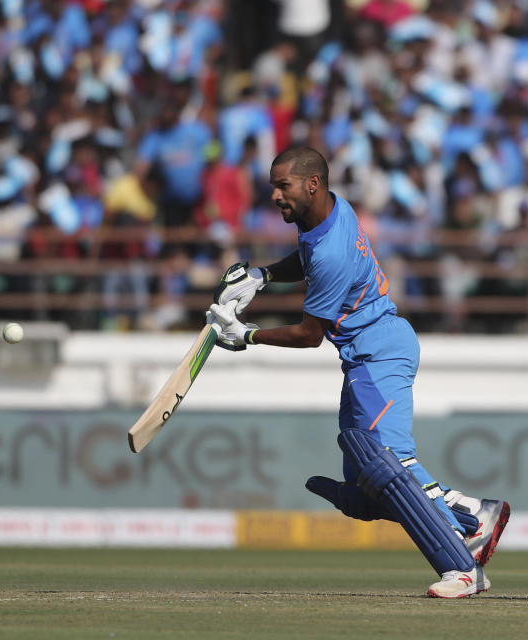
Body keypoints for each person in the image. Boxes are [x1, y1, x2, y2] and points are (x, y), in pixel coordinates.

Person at [206, 146, 510, 598]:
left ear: (311, 183)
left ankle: (462, 564)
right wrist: (262, 276)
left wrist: (246, 336)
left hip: (378, 354)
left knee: (391, 465)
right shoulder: (330, 212)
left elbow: (310, 335)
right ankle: (471, 513)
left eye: (282, 185)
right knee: (366, 488)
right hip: (366, 354)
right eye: (272, 185)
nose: (274, 195)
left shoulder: (330, 250)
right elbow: (305, 260)